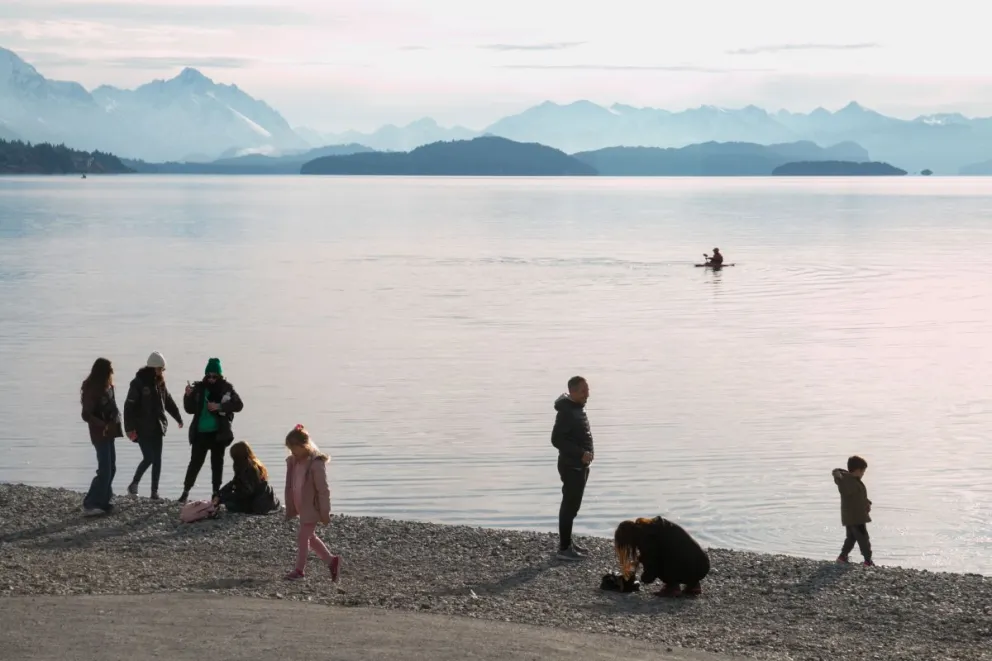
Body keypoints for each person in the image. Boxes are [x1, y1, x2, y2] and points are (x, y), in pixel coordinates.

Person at [180, 358, 244, 502]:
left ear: (220, 376)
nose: (211, 379)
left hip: (218, 434)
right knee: (195, 463)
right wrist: (187, 396)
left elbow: (239, 405)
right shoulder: (199, 388)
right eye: (209, 376)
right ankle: (185, 491)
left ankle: (215, 493)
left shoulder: (226, 388)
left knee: (217, 464)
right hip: (200, 433)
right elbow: (189, 410)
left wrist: (219, 407)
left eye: (214, 376)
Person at [283, 424, 341, 582]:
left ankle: (299, 571)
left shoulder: (316, 464)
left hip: (312, 508)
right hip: (301, 506)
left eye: (294, 449)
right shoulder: (295, 462)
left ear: (304, 446)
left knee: (303, 537)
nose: (292, 453)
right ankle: (331, 561)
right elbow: (291, 485)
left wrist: (325, 512)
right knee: (310, 537)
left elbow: (323, 490)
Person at [124, 351, 183, 500]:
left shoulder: (160, 383)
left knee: (157, 460)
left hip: (158, 426)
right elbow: (128, 407)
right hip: (142, 428)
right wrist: (129, 429)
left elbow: (168, 401)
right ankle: (134, 484)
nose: (162, 372)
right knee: (149, 457)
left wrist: (178, 417)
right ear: (154, 368)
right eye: (161, 369)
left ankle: (154, 492)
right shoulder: (138, 383)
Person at [551, 375, 594, 561]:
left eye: (588, 390)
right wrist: (580, 454)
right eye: (584, 391)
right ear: (572, 392)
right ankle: (564, 548)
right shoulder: (567, 412)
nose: (588, 394)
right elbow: (557, 439)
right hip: (571, 466)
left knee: (573, 506)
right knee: (569, 505)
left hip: (579, 465)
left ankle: (568, 542)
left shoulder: (576, 408)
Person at [614, 516, 711, 597]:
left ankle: (672, 587)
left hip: (687, 568)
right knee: (676, 553)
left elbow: (652, 567)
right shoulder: (660, 526)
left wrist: (640, 576)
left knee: (659, 561)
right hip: (703, 566)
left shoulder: (646, 539)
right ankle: (693, 585)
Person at [80, 357, 124, 515]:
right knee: (104, 469)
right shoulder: (92, 388)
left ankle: (104, 501)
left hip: (109, 431)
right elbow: (86, 414)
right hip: (99, 433)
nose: (112, 373)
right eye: (109, 370)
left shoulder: (108, 386)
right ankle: (90, 503)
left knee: (111, 468)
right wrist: (102, 424)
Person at [212, 441, 279, 515]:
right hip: (262, 497)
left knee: (229, 504)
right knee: (227, 500)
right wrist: (220, 493)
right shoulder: (254, 464)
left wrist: (224, 497)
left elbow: (247, 492)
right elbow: (234, 482)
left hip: (256, 501)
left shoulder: (248, 469)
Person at [833, 456, 874, 566]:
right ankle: (868, 560)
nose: (863, 474)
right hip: (856, 517)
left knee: (851, 538)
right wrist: (838, 476)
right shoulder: (847, 482)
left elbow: (857, 497)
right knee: (863, 538)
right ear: (857, 470)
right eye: (863, 472)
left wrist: (866, 502)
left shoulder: (852, 481)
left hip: (851, 516)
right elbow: (847, 492)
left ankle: (842, 556)